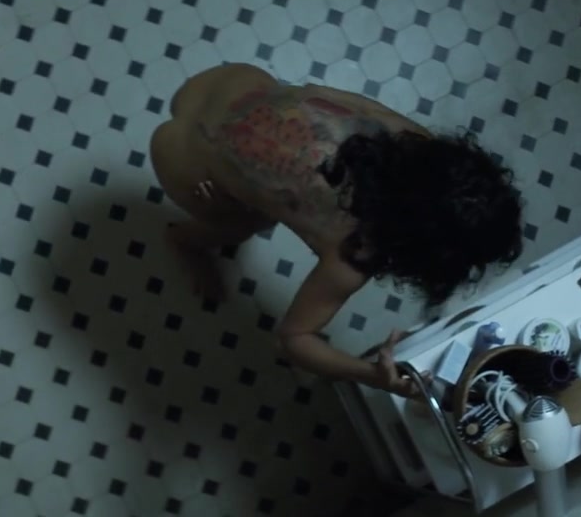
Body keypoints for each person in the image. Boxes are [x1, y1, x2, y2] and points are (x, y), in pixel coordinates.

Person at [149, 63, 524, 398]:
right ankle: (184, 242)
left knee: (264, 190)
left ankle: (234, 188)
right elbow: (294, 339)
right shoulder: (356, 250)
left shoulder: (412, 140)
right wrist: (372, 375)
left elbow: (320, 92)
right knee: (250, 222)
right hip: (183, 164)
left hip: (229, 83)